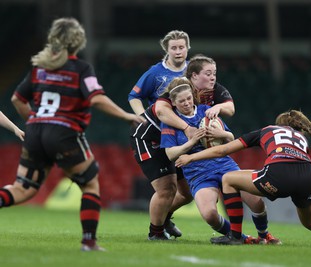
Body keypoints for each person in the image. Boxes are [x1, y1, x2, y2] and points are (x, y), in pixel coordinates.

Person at [0, 17, 145, 252]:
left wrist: (35, 122)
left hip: (36, 131)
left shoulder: (40, 68)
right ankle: (89, 242)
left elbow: (17, 99)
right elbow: (96, 98)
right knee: (89, 184)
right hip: (64, 133)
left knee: (22, 189)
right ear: (78, 41)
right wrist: (126, 116)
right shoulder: (80, 68)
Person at [175, 110, 311, 248]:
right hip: (308, 177)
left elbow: (223, 150)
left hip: (278, 174)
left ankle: (235, 236)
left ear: (279, 124)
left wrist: (191, 157)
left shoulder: (267, 130)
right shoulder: (301, 138)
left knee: (228, 179)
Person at [160, 78, 281, 244]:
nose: (187, 103)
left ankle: (264, 234)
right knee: (209, 214)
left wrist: (222, 135)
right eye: (181, 101)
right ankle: (242, 238)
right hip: (198, 173)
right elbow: (171, 154)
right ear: (173, 102)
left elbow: (230, 138)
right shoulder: (169, 123)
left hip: (224, 164)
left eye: (189, 98)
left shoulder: (206, 111)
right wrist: (192, 141)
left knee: (256, 200)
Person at [127, 30, 192, 239]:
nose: (178, 51)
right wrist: (142, 117)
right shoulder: (156, 72)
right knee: (167, 188)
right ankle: (156, 232)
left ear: (187, 47)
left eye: (181, 47)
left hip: (175, 138)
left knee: (187, 193)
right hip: (152, 136)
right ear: (167, 49)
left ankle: (164, 218)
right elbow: (134, 96)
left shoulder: (193, 70)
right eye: (174, 47)